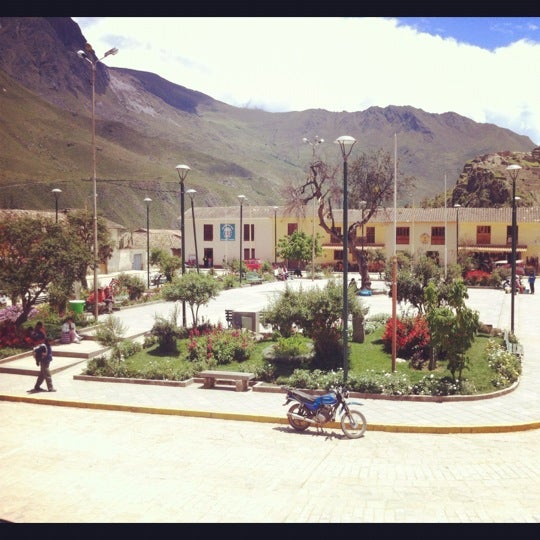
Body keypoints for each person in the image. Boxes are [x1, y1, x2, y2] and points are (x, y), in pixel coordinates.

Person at [28, 321, 56, 393]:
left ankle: (37, 387)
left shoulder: (47, 345)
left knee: (42, 375)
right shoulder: (43, 345)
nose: (52, 342)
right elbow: (37, 351)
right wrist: (39, 359)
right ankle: (50, 387)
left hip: (46, 361)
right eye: (51, 341)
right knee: (47, 374)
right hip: (44, 361)